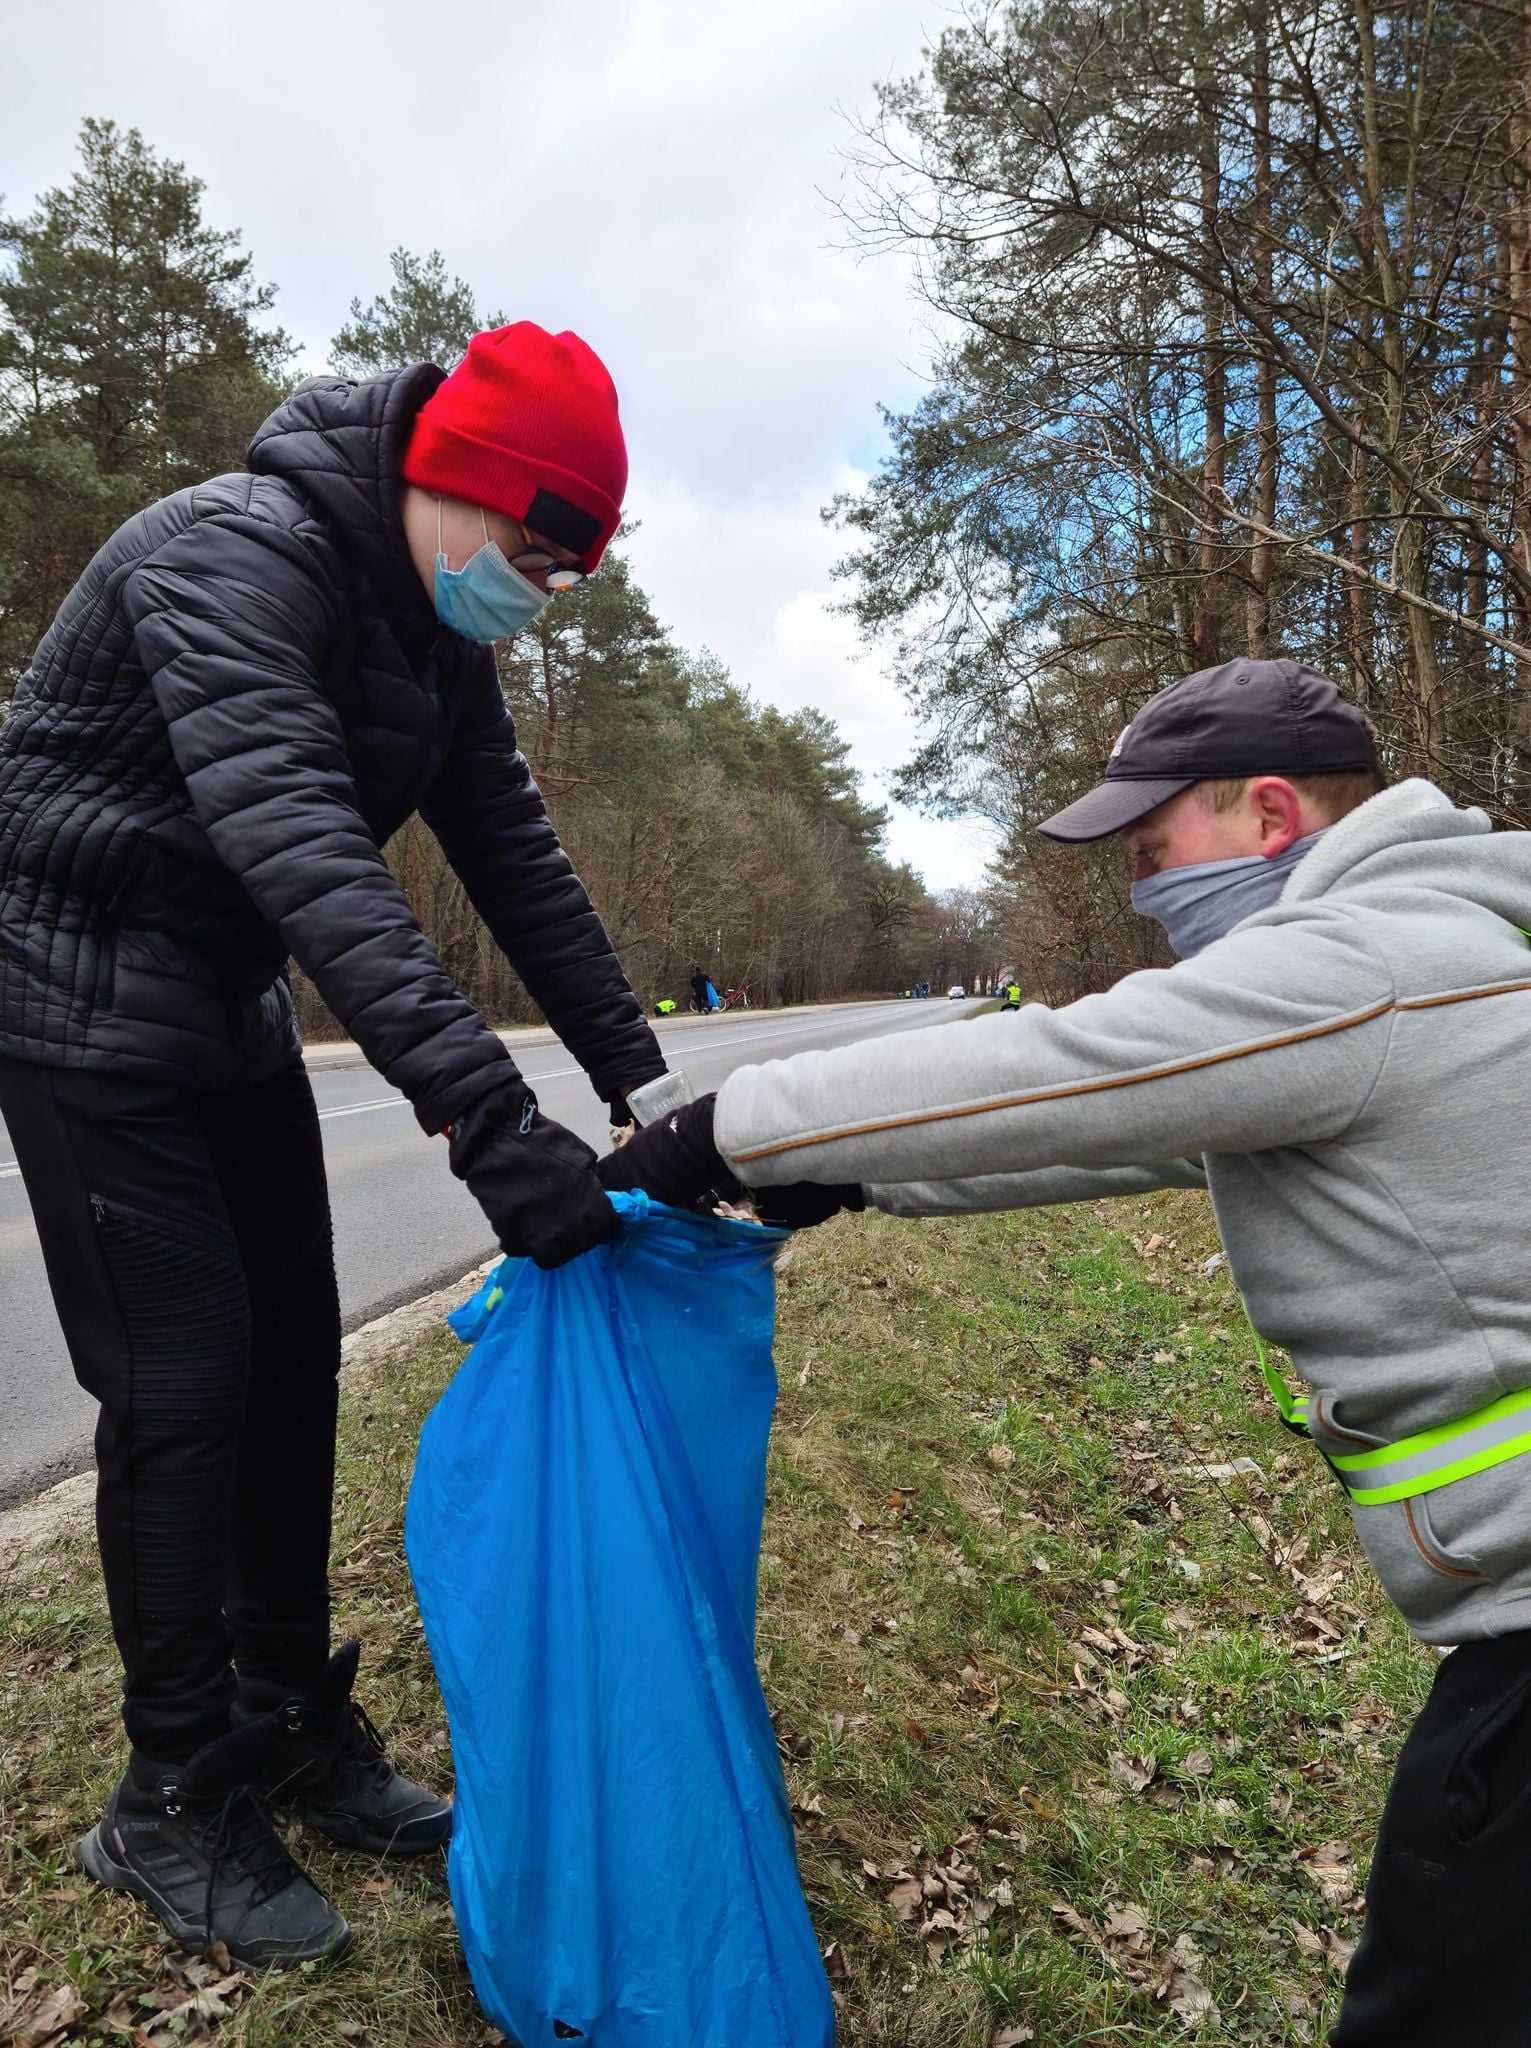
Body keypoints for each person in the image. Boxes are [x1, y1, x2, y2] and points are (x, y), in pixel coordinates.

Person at [602, 657, 1531, 2045]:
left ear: (1271, 813)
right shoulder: (1435, 943)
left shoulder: (1361, 962)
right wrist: (852, 1182)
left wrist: (725, 1128)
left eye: (1157, 855)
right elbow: (1139, 1132)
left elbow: (1066, 1070)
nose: (1144, 896)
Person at [0, 322, 668, 1967]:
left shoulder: (435, 641)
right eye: (534, 557)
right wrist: (485, 1120)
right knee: (187, 1377)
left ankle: (286, 1709)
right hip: (71, 986)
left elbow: (513, 854)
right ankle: (166, 1796)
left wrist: (646, 1091)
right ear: (451, 481)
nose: (545, 596)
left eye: (570, 576)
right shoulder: (224, 553)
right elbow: (298, 837)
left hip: (215, 997)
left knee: (296, 1354)